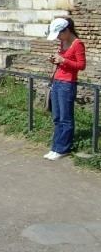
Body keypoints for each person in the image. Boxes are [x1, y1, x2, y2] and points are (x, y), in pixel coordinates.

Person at [45, 17, 86, 161]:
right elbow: (63, 62)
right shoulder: (63, 42)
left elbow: (81, 65)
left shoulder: (78, 44)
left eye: (59, 34)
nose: (58, 38)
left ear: (67, 31)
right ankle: (55, 147)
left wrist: (64, 60)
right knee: (57, 117)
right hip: (57, 81)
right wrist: (55, 60)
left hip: (67, 84)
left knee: (65, 118)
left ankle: (63, 148)